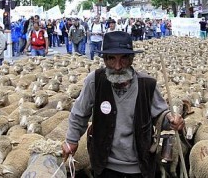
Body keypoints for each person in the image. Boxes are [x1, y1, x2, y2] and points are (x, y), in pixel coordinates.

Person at [62, 31, 185, 178]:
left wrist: (172, 121)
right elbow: (79, 113)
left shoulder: (147, 84)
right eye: (111, 59)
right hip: (105, 166)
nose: (118, 66)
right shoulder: (95, 81)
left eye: (124, 59)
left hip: (139, 167)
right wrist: (71, 140)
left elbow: (161, 116)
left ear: (132, 58)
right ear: (104, 59)